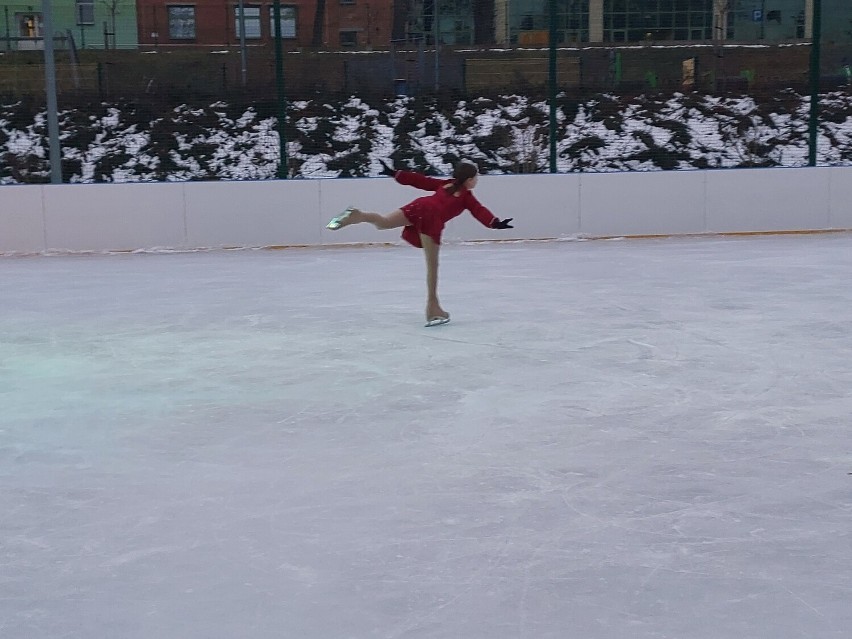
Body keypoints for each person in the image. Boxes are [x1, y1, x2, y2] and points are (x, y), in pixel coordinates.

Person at [326, 159, 513, 326]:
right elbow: (479, 210)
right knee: (432, 267)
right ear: (469, 180)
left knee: (382, 222)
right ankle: (433, 309)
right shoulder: (466, 197)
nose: (477, 180)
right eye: (476, 177)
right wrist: (495, 223)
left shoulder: (444, 184)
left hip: (419, 206)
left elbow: (420, 181)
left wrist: (395, 174)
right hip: (431, 219)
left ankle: (358, 215)